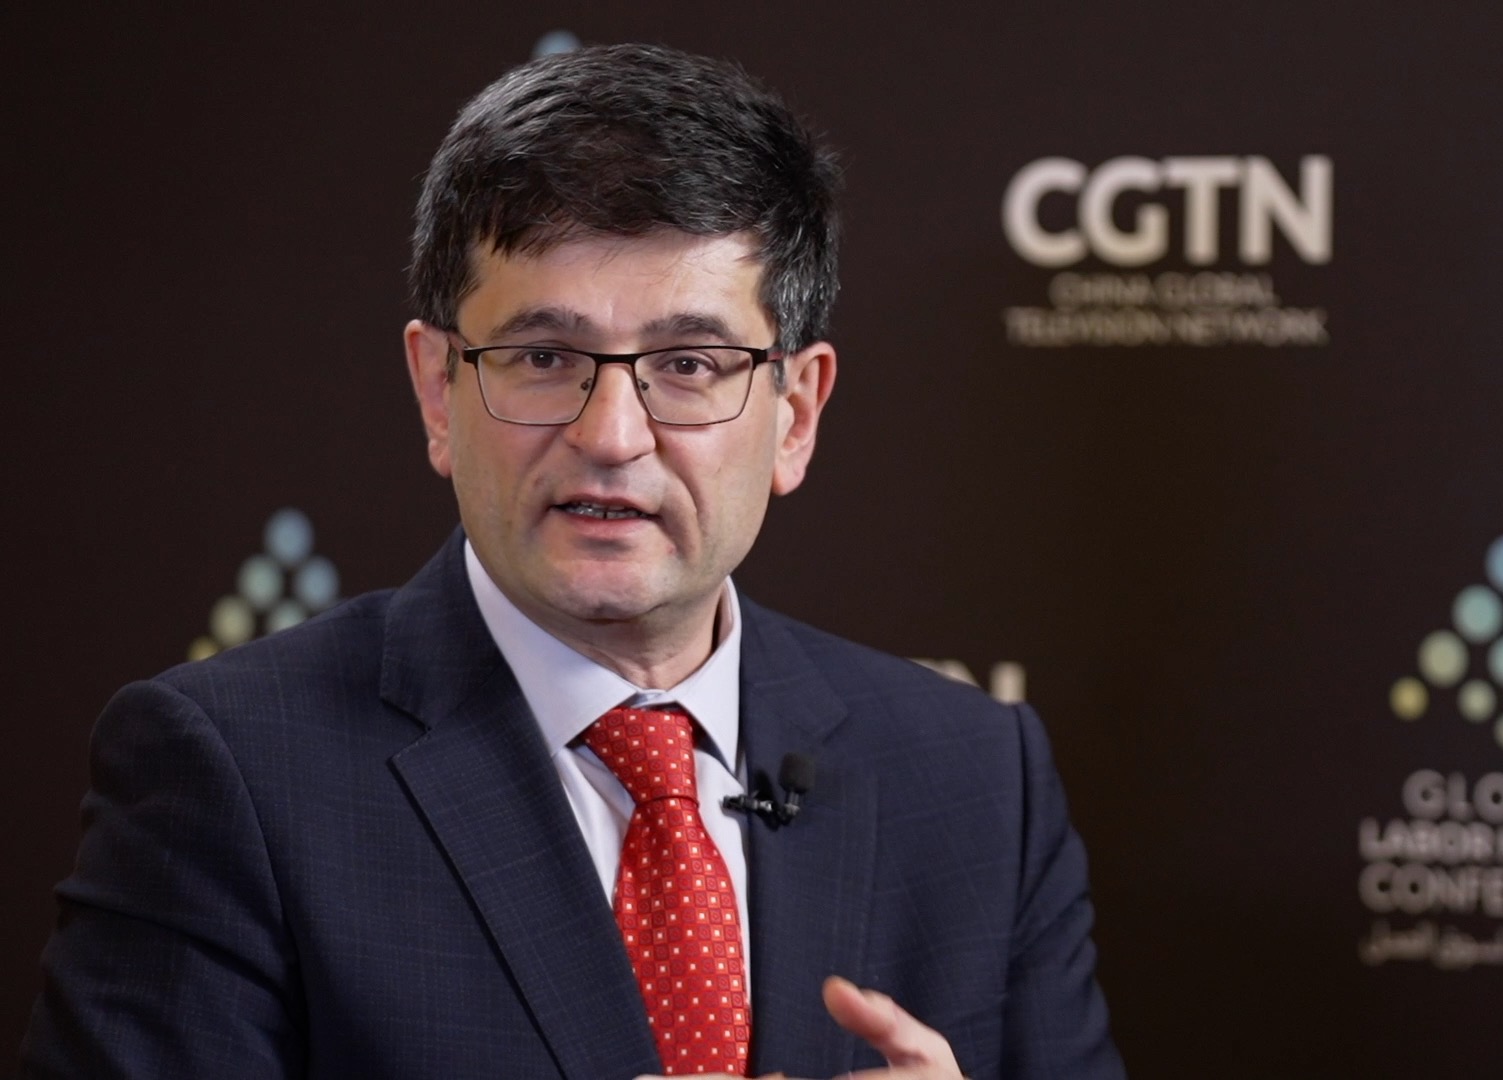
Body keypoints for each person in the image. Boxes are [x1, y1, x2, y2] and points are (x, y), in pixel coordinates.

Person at [21, 42, 1123, 1079]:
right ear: (437, 390)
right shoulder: (230, 772)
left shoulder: (978, 780)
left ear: (795, 414)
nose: (611, 434)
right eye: (544, 356)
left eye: (689, 364)